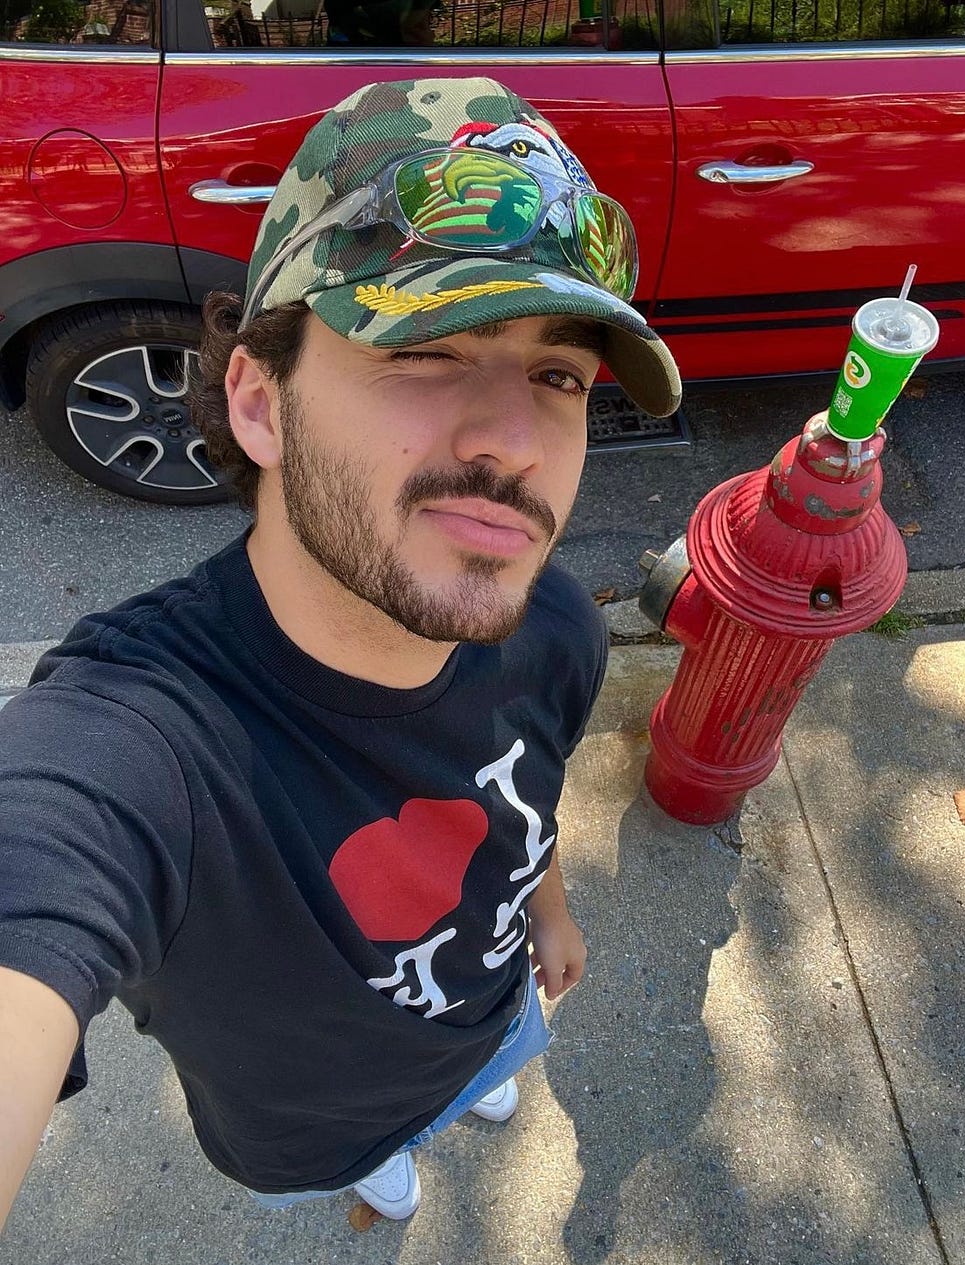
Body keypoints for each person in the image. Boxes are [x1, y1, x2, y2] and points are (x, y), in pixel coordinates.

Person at [0, 76, 681, 1227]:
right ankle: (388, 1161)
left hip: (494, 1008)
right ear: (259, 400)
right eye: (427, 348)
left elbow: (525, 799)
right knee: (379, 1159)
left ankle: (479, 1081)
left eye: (558, 373)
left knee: (494, 1069)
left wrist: (547, 915)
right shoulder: (134, 745)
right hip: (310, 1129)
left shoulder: (552, 623)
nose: (517, 439)